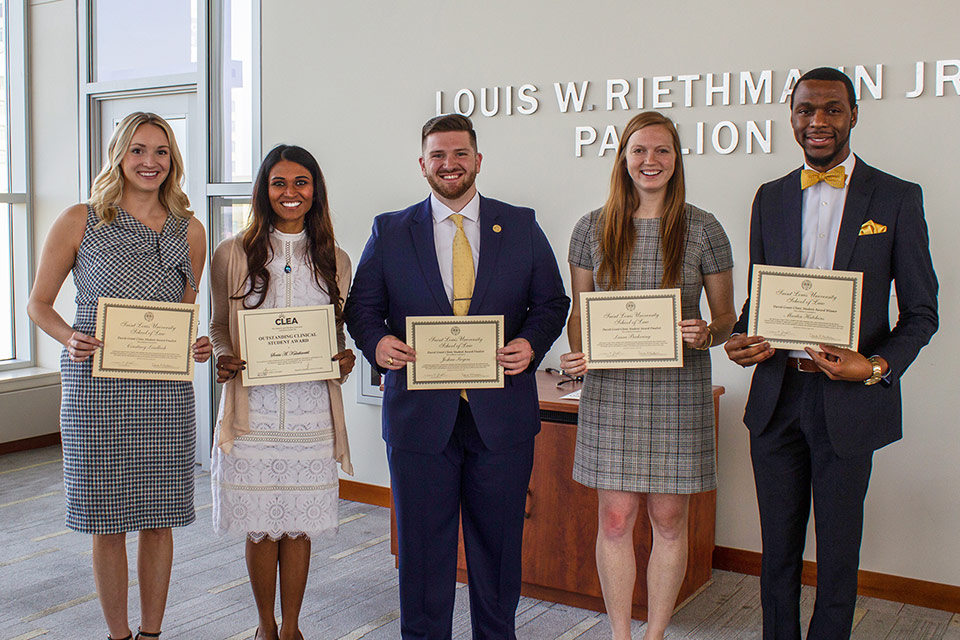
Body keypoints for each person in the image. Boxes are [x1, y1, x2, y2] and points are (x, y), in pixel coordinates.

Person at [724, 67, 938, 639]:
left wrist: (874, 366)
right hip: (777, 396)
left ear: (853, 115)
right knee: (777, 554)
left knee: (838, 555)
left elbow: (922, 313)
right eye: (805, 110)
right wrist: (742, 337)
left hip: (849, 400)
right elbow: (760, 297)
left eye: (831, 109)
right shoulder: (769, 197)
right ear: (791, 117)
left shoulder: (895, 198)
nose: (817, 121)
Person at [344, 114, 569, 639]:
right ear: (422, 163)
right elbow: (362, 309)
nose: (450, 165)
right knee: (423, 554)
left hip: (501, 418)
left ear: (478, 160)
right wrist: (378, 343)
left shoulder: (518, 223)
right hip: (421, 419)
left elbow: (552, 301)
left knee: (497, 551)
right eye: (439, 155)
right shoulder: (391, 229)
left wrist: (530, 344)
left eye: (460, 154)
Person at [26, 112, 211, 640]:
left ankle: (151, 633)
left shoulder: (190, 231)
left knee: (159, 517)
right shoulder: (79, 220)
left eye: (161, 151)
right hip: (96, 391)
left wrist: (195, 344)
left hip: (165, 394)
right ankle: (118, 635)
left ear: (173, 159)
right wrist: (68, 336)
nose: (150, 162)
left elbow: (184, 312)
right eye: (138, 150)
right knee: (106, 521)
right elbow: (39, 304)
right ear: (118, 155)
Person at [559, 111, 736, 640]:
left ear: (677, 159)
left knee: (669, 521)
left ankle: (655, 633)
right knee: (613, 521)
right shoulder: (591, 227)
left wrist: (707, 332)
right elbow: (579, 312)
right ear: (623, 158)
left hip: (678, 393)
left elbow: (727, 319)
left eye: (662, 151)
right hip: (612, 391)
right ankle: (620, 633)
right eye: (639, 150)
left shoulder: (703, 228)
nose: (650, 161)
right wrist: (579, 355)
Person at [208, 145, 356, 640]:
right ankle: (264, 627)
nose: (289, 193)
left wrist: (344, 359)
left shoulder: (335, 258)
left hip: (312, 412)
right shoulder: (232, 252)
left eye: (300, 183)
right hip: (254, 413)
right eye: (278, 183)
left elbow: (335, 334)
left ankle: (292, 627)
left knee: (297, 526)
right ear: (263, 189)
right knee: (262, 527)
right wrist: (225, 360)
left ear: (315, 190)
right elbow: (219, 326)